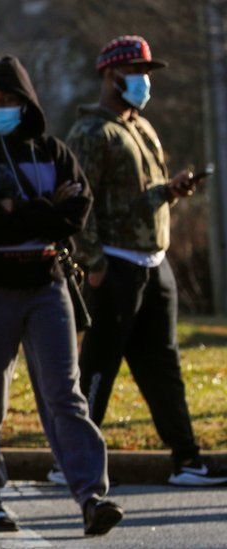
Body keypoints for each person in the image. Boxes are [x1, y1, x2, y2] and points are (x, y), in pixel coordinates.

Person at [0, 56, 123, 535]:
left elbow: (79, 212)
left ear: (26, 104)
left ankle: (91, 496)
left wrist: (25, 212)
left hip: (46, 285)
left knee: (64, 395)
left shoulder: (53, 151)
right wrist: (49, 208)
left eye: (8, 101)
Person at [66, 35, 227, 487]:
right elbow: (78, 205)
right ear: (109, 75)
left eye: (146, 73)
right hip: (114, 266)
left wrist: (169, 192)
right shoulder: (91, 132)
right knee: (98, 365)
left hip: (154, 264)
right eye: (134, 72)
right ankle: (73, 462)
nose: (142, 81)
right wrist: (93, 261)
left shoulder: (140, 127)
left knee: (164, 365)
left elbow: (132, 197)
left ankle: (186, 459)